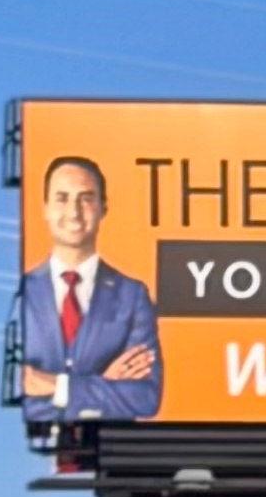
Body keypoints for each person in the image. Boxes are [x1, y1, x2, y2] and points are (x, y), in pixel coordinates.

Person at [10, 154, 162, 420]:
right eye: (62, 198)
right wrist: (105, 385)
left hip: (109, 445)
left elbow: (145, 398)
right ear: (45, 207)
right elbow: (11, 391)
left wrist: (57, 387)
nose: (74, 212)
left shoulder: (132, 295)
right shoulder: (20, 293)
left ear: (104, 207)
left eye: (86, 199)